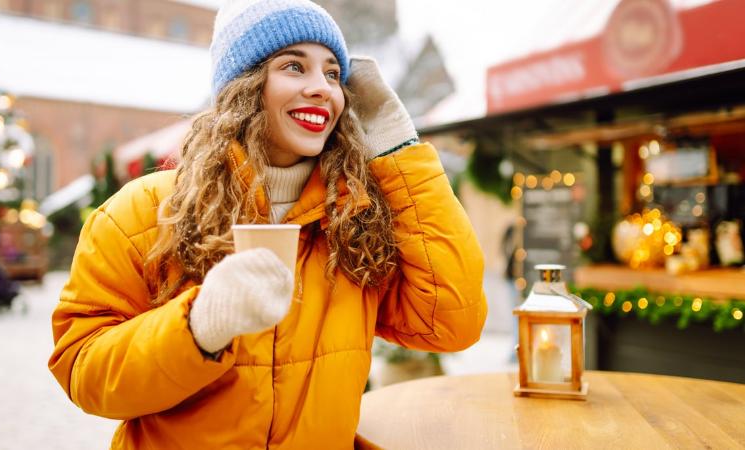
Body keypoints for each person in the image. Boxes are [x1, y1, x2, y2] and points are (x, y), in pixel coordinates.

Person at [48, 0, 487, 448]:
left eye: (333, 73)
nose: (321, 88)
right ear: (245, 86)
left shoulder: (355, 217)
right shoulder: (143, 210)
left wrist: (398, 149)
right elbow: (85, 373)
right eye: (294, 66)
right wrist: (199, 327)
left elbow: (452, 322)